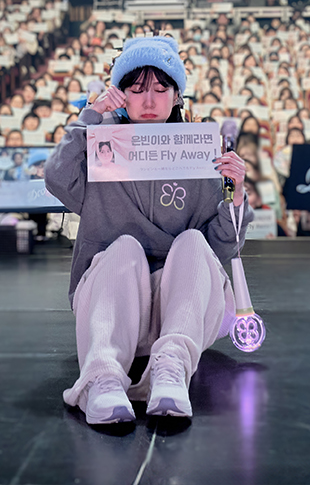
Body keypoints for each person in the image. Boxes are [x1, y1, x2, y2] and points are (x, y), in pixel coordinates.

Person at [44, 35, 252, 427]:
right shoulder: (100, 146)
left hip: (182, 309)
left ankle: (170, 369)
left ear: (177, 96)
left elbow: (219, 247)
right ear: (120, 94)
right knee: (123, 247)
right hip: (113, 302)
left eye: (160, 88)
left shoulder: (197, 152)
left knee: (193, 241)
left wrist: (236, 194)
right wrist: (90, 117)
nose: (150, 100)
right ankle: (102, 377)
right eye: (137, 89)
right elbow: (56, 177)